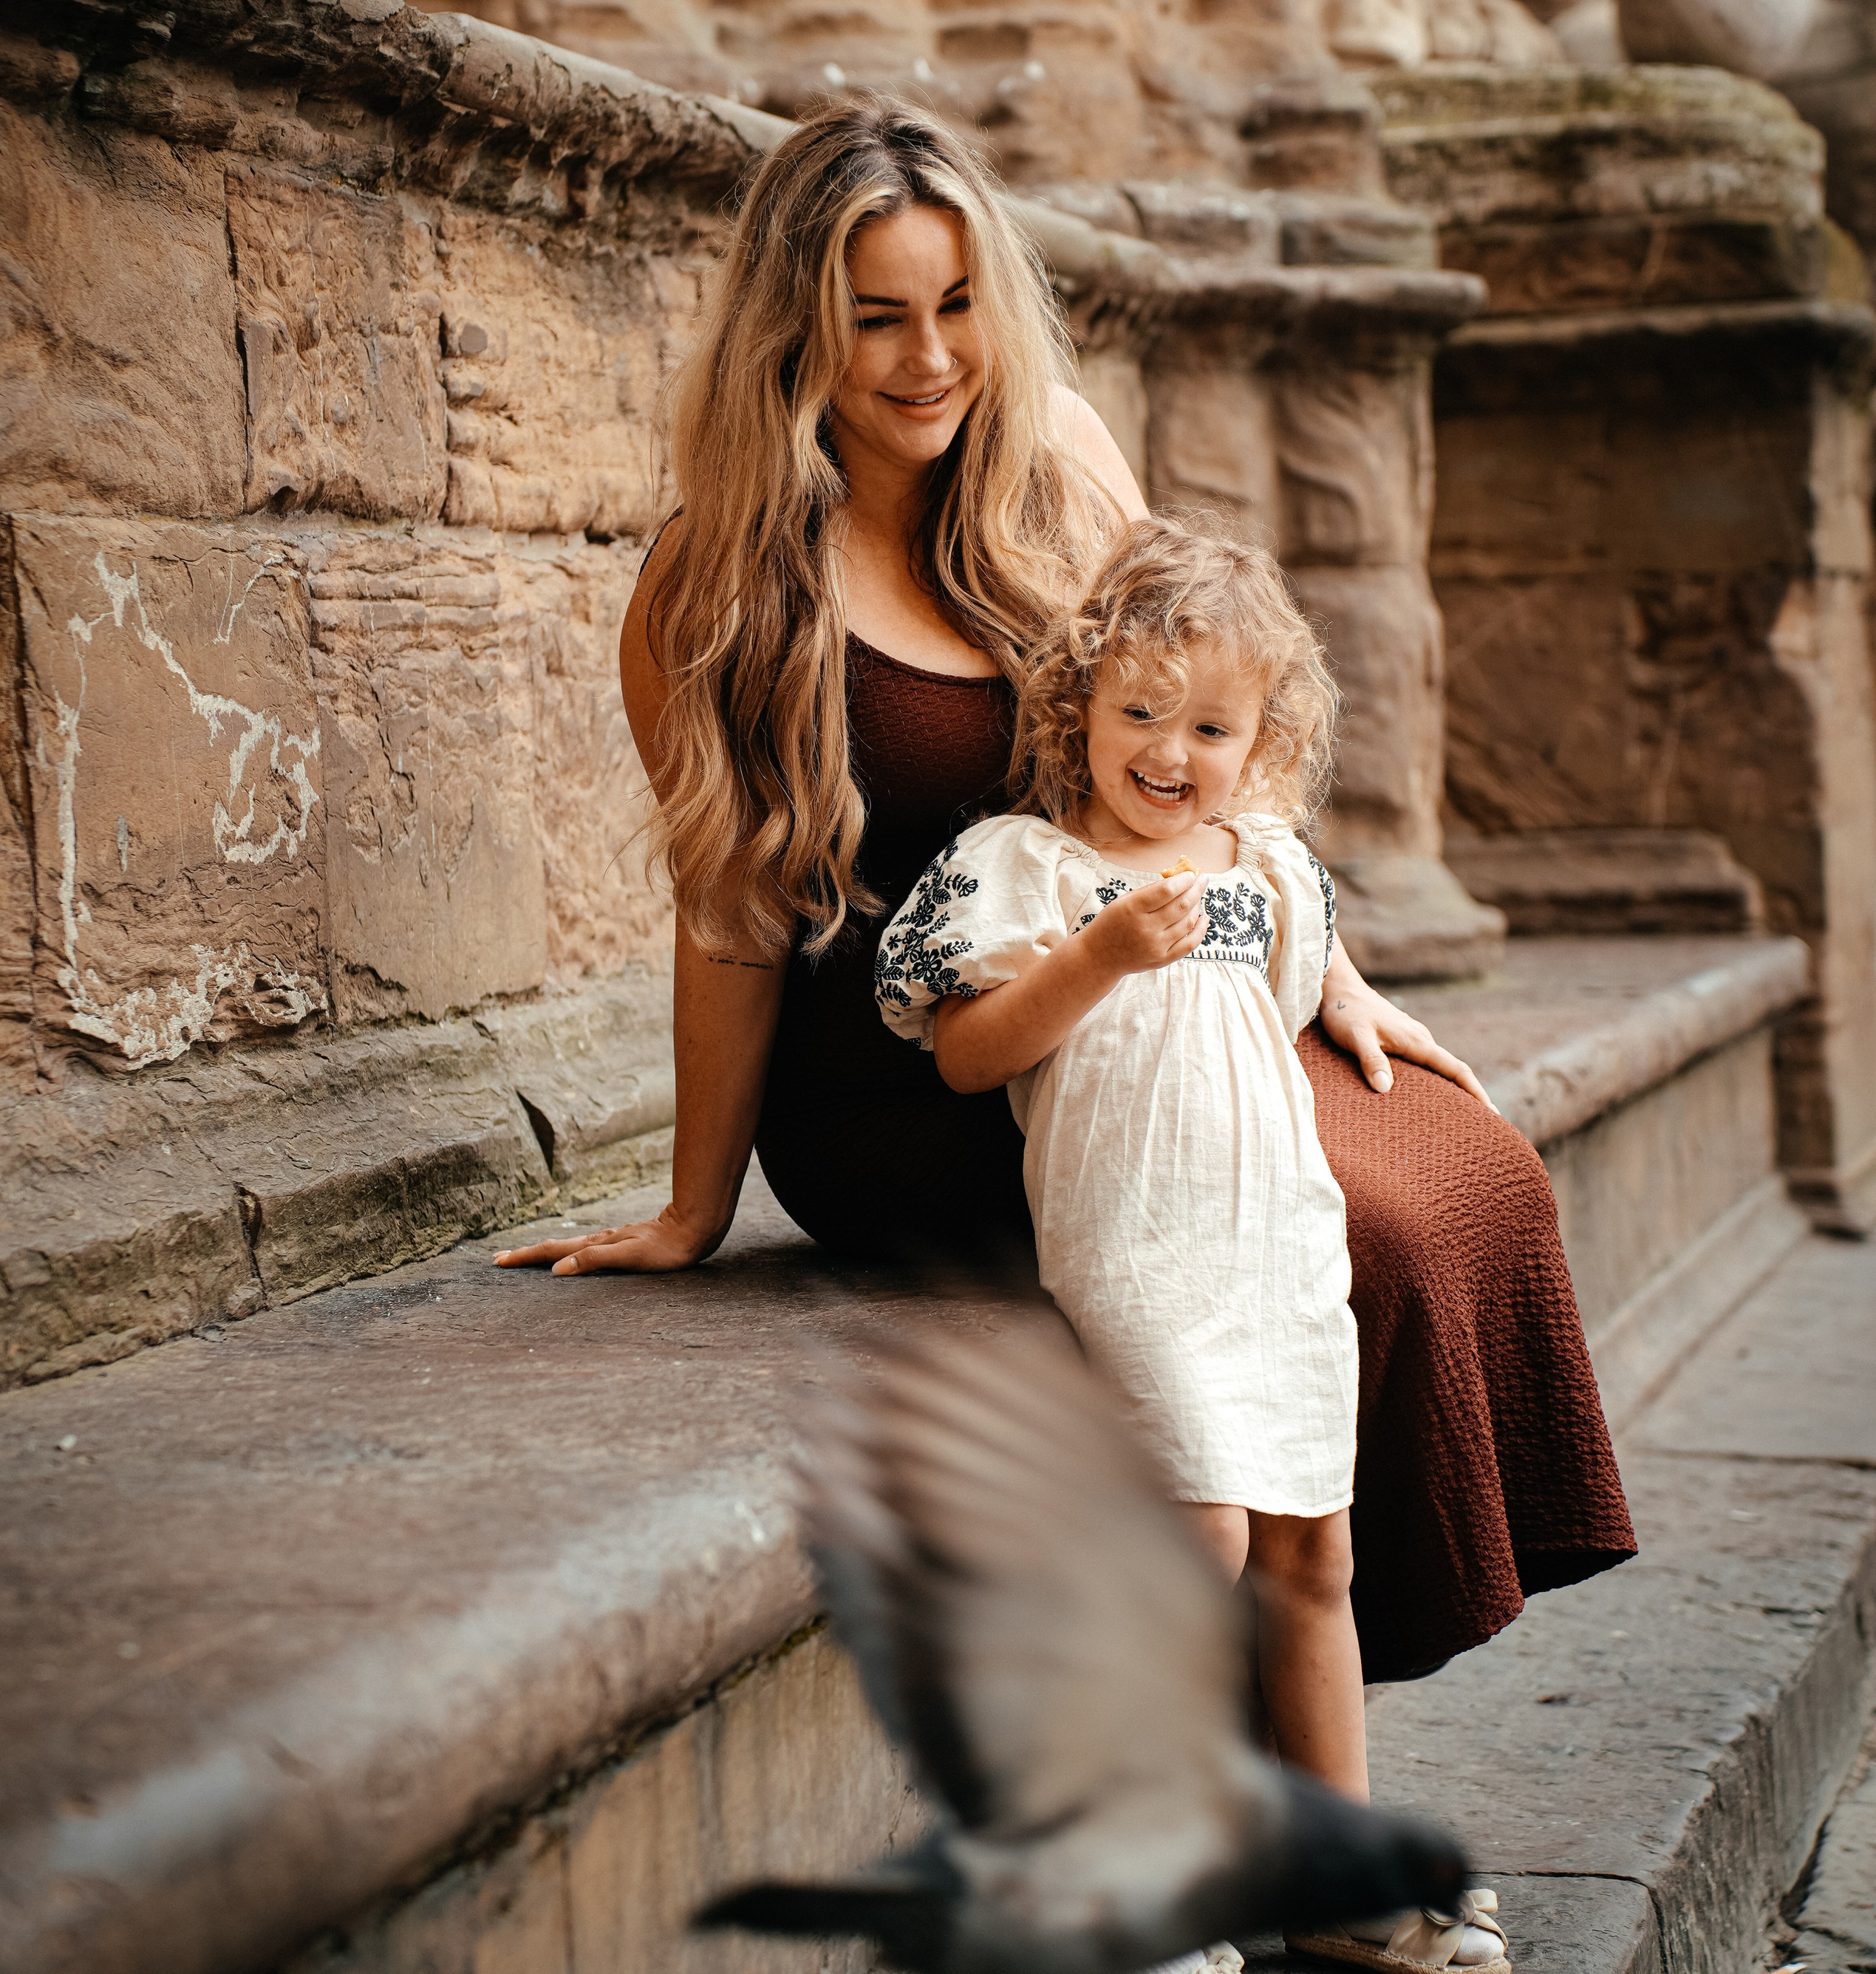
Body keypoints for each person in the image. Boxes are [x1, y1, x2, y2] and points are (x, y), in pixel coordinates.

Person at [495, 95, 1632, 1779]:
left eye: (953, 304)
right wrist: (694, 1205)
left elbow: (1204, 720)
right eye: (872, 315)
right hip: (914, 1075)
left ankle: (1314, 1719)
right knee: (1360, 1232)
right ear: (792, 327)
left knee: (1463, 1165)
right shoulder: (716, 581)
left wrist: (1318, 970)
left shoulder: (1062, 464)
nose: (923, 356)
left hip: (1142, 993)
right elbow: (728, 906)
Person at [871, 515, 1507, 1974]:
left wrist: (1352, 1015)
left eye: (1207, 725)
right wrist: (1094, 958)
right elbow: (961, 1052)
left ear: (1258, 740)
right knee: (1199, 1540)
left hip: (1272, 1249)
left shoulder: (1268, 868)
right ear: (1076, 707)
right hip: (1137, 1247)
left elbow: (1275, 1013)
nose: (1167, 751)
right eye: (1138, 712)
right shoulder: (1024, 867)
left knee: (1311, 1561)